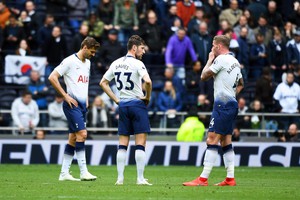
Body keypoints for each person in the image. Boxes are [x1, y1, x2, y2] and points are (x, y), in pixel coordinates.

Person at [183, 35, 244, 187]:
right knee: (226, 141)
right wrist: (231, 94)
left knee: (211, 139)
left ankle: (203, 179)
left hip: (222, 106)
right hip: (232, 104)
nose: (211, 48)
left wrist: (210, 59)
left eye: (212, 46)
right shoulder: (235, 62)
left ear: (218, 46)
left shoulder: (220, 60)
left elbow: (203, 76)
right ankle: (230, 179)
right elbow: (241, 83)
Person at [100, 35, 152, 185]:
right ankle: (140, 179)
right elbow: (147, 81)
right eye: (142, 48)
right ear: (134, 48)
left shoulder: (116, 63)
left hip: (122, 105)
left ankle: (120, 178)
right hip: (137, 104)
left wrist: (116, 99)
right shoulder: (137, 64)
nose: (143, 52)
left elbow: (103, 83)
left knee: (123, 143)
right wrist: (147, 97)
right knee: (140, 143)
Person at [48, 36, 100, 181]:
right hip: (72, 105)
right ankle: (84, 171)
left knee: (72, 139)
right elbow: (52, 77)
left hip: (82, 105)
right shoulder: (69, 61)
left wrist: (87, 99)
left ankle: (64, 173)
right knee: (82, 134)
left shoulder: (88, 63)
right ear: (84, 47)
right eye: (92, 51)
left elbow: (85, 83)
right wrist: (65, 96)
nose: (93, 54)